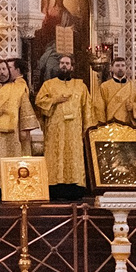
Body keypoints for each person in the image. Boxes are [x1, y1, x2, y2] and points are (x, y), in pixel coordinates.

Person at [0, 58, 39, 200]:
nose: (2, 72)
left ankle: (11, 187)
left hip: (12, 132)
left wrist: (25, 129)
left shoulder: (17, 89)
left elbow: (24, 109)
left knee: (11, 158)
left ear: (8, 72)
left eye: (4, 69)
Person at [35, 55, 92, 195]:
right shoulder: (49, 85)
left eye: (67, 63)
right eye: (62, 63)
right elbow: (39, 102)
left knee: (73, 158)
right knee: (55, 157)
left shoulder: (81, 86)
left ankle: (75, 189)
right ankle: (54, 188)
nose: (64, 66)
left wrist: (88, 130)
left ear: (72, 67)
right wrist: (54, 100)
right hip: (55, 130)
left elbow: (87, 109)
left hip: (74, 131)